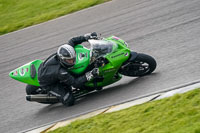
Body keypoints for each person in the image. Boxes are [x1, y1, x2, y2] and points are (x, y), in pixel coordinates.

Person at [37, 32, 99, 106]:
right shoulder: (61, 72)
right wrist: (90, 74)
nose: (72, 61)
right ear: (63, 59)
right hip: (48, 83)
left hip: (47, 69)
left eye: (73, 58)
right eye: (69, 60)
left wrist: (87, 37)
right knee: (69, 101)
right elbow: (75, 83)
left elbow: (72, 40)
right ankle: (60, 96)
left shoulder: (66, 51)